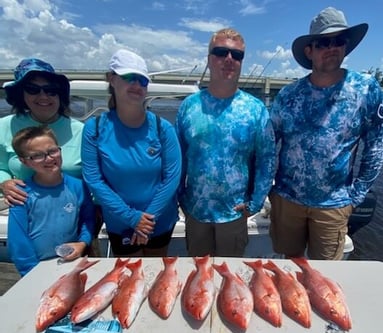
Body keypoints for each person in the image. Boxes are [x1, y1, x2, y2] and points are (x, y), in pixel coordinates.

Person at [269, 7, 383, 260]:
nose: (331, 47)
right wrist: (269, 188)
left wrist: (356, 195)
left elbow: (375, 145)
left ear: (346, 46)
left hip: (334, 205)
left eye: (338, 41)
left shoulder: (366, 90)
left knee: (327, 275)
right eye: (323, 43)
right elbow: (268, 145)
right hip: (287, 201)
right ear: (309, 51)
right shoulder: (288, 95)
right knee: (291, 268)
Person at [175, 28, 276, 257]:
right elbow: (178, 157)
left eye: (236, 55)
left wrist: (257, 201)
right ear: (209, 59)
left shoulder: (255, 109)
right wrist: (179, 196)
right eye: (221, 52)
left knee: (230, 279)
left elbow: (267, 159)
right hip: (195, 211)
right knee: (199, 281)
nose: (229, 59)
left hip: (234, 214)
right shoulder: (189, 106)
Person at [81, 49, 182, 257]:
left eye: (142, 81)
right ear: (111, 79)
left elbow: (172, 178)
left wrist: (147, 219)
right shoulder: (94, 128)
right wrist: (132, 218)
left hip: (159, 220)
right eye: (128, 77)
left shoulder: (163, 128)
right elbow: (94, 179)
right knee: (128, 281)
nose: (136, 85)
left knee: (157, 278)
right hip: (120, 222)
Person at [8, 126, 95, 276]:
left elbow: (88, 220)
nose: (49, 158)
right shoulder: (20, 194)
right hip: (35, 267)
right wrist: (31, 273)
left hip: (71, 263)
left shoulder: (78, 186)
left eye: (52, 151)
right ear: (24, 161)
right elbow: (18, 241)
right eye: (37, 155)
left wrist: (83, 243)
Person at [0, 58, 83, 205]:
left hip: (73, 210)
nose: (43, 96)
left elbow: (96, 177)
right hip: (25, 209)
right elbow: (1, 168)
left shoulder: (83, 131)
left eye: (51, 90)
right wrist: (4, 183)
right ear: (21, 93)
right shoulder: (4, 126)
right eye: (33, 89)